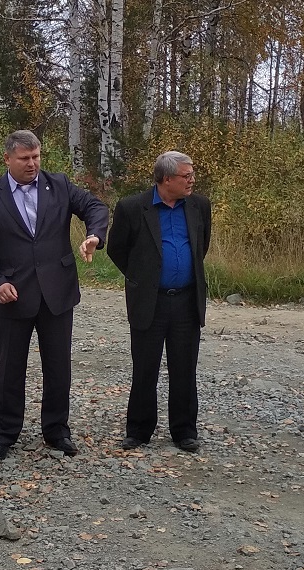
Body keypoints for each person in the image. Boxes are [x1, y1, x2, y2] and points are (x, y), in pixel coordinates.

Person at [0, 130, 109, 461]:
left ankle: (57, 430)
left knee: (58, 365)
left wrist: (94, 236)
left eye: (36, 157)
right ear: (7, 159)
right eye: (24, 159)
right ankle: (3, 433)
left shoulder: (58, 184)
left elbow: (94, 206)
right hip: (13, 294)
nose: (32, 164)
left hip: (57, 291)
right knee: (9, 367)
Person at [107, 151, 211, 452]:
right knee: (145, 368)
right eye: (186, 176)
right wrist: (143, 278)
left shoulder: (198, 206)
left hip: (186, 302)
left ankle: (184, 431)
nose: (192, 180)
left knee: (184, 368)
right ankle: (138, 430)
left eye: (192, 175)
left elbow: (201, 247)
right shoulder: (132, 207)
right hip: (148, 301)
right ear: (166, 179)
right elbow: (117, 249)